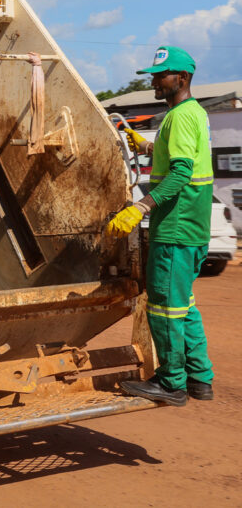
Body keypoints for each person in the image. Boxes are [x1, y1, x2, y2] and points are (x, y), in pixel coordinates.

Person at [107, 45, 215, 406]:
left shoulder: (181, 116)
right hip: (193, 229)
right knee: (185, 305)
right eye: (154, 75)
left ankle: (172, 383)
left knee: (164, 307)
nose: (155, 80)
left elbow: (183, 173)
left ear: (181, 78)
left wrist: (141, 205)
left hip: (176, 228)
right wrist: (150, 148)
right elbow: (183, 159)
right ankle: (200, 378)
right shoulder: (191, 113)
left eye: (161, 75)